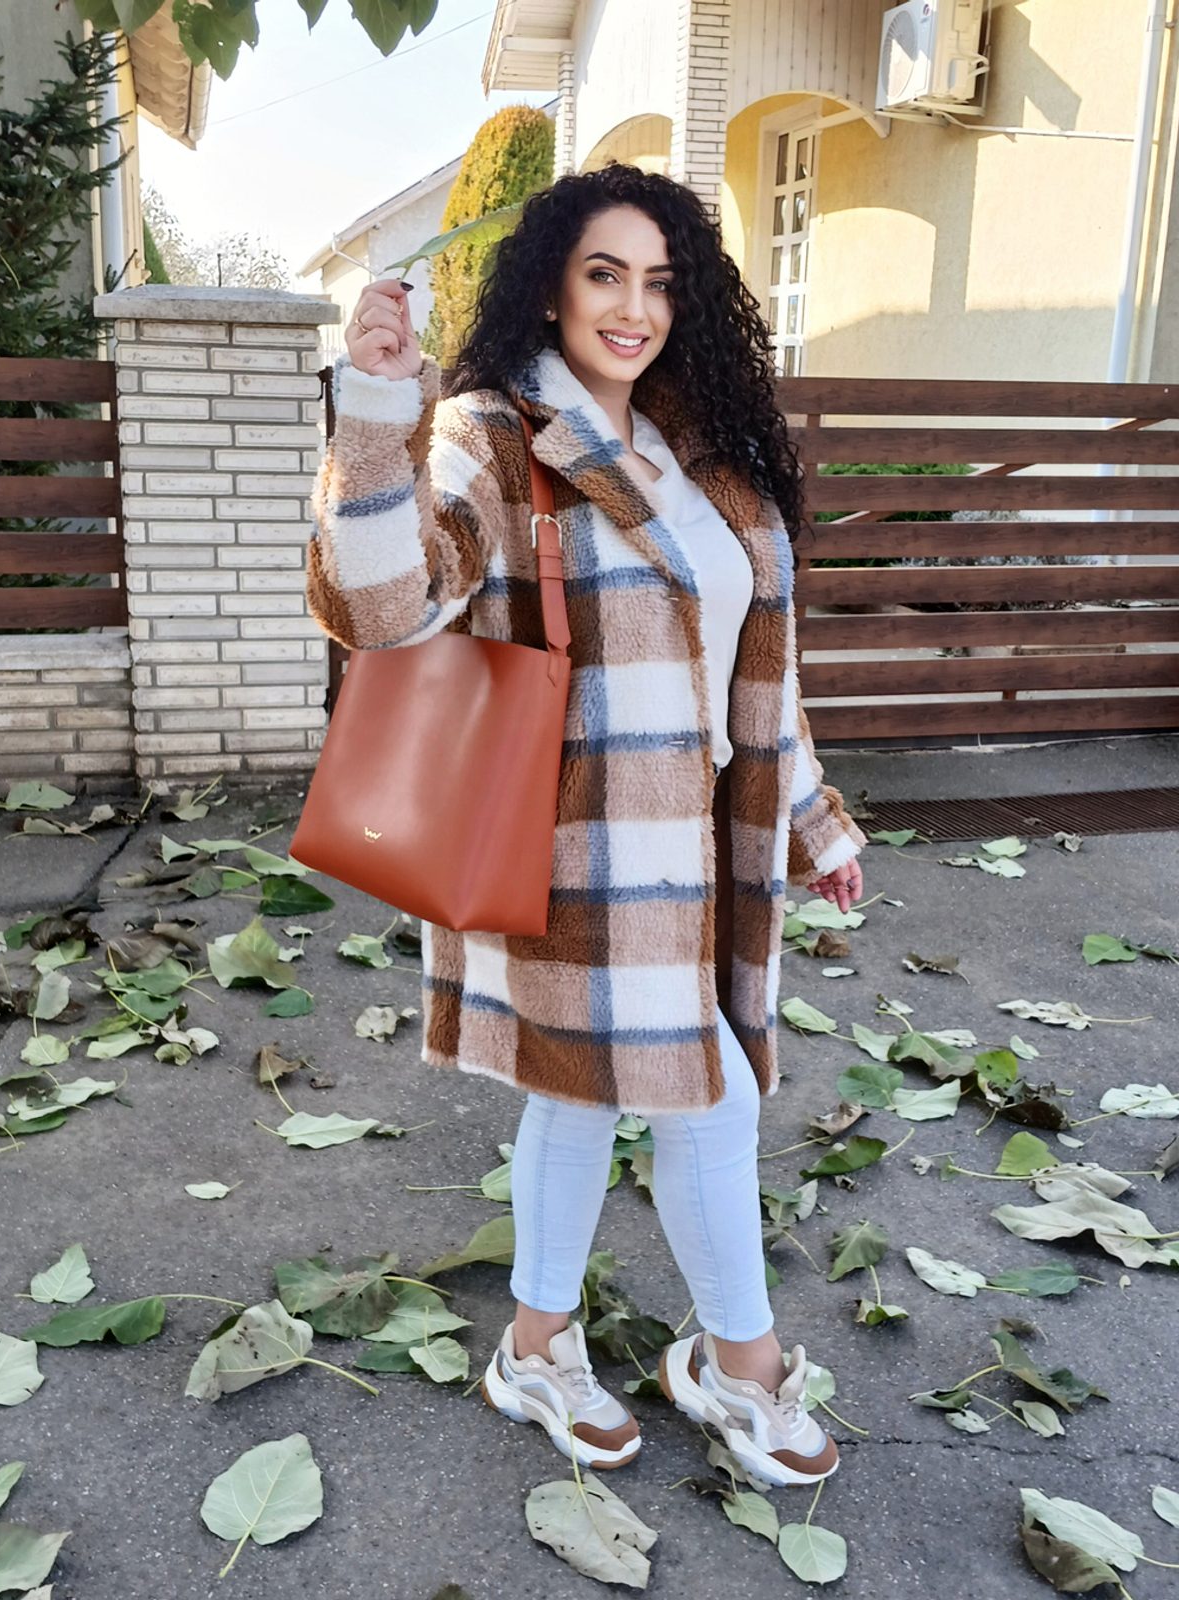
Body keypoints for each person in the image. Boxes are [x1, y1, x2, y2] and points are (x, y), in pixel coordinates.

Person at [306, 163, 867, 1489]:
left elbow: (757, 672)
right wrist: (377, 414)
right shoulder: (493, 436)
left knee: (578, 1104)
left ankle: (535, 1347)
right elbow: (380, 609)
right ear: (551, 285)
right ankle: (742, 1369)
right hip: (573, 857)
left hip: (708, 855)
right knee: (712, 1098)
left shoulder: (703, 450)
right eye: (604, 274)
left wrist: (812, 823)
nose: (633, 307)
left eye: (661, 282)